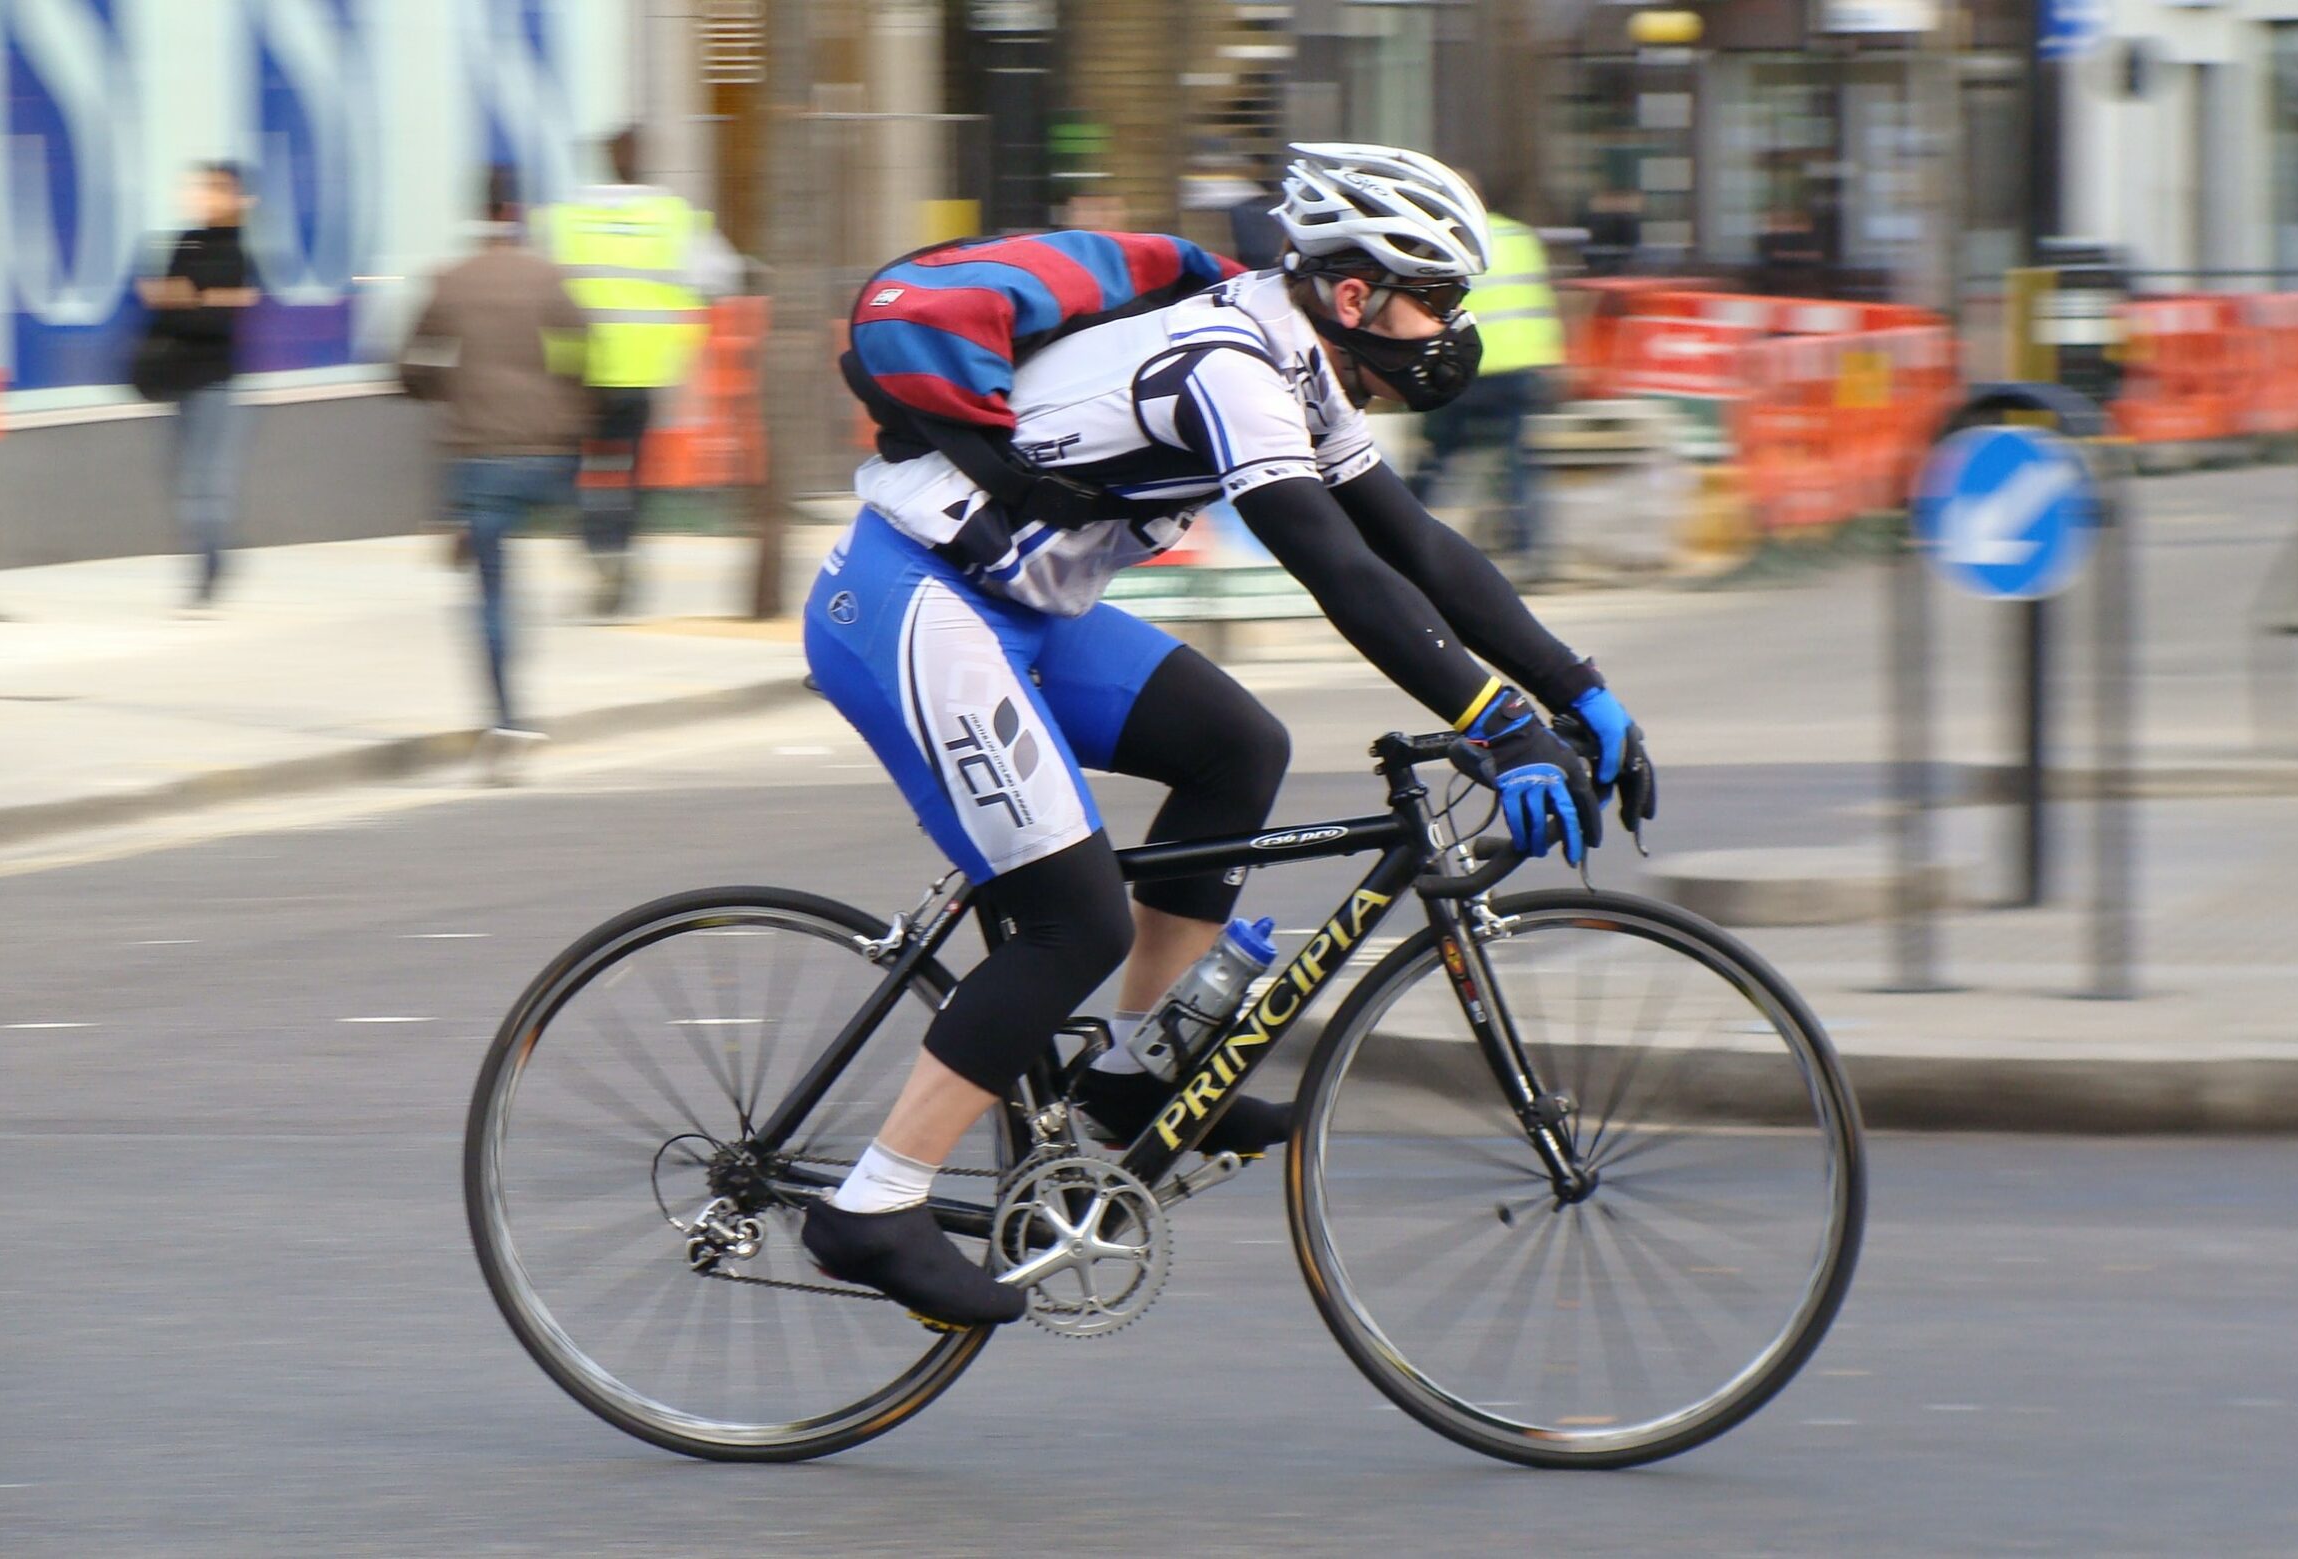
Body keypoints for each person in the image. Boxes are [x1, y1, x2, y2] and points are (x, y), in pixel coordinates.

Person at [798, 143, 1649, 1327]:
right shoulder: (1231, 360)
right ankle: (875, 1202)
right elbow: (1334, 567)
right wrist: (1495, 724)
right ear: (1355, 294)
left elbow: (1416, 546)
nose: (1452, 327)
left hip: (1020, 610)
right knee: (1074, 915)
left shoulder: (1300, 362)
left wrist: (1578, 690)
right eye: (1438, 298)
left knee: (1234, 747)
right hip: (907, 603)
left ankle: (1129, 1078)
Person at [399, 168, 591, 784]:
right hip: (545, 448)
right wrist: (564, 405)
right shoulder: (547, 275)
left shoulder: (449, 281)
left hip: (476, 452)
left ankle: (506, 719)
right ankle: (594, 543)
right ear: (518, 210)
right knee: (544, 538)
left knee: (492, 589)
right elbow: (585, 348)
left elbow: (408, 363)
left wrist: (441, 388)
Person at [539, 127, 738, 620]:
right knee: (627, 470)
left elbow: (538, 284)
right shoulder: (673, 217)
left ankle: (595, 547)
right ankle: (619, 553)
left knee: (578, 466)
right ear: (644, 162)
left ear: (604, 161)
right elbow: (722, 278)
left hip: (576, 370)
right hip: (644, 369)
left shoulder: (565, 217)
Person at [1405, 191, 1566, 579]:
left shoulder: (1446, 243)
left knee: (1436, 456)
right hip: (1522, 368)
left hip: (1465, 370)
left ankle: (1400, 541)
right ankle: (1531, 553)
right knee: (1518, 465)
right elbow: (1542, 299)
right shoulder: (1520, 236)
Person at [138, 162, 257, 612]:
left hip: (215, 380)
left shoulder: (238, 252)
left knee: (206, 480)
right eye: (203, 189)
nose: (206, 197)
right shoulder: (187, 242)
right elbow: (169, 307)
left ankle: (210, 564)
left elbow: (220, 318)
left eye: (217, 190)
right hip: (179, 378)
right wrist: (198, 299)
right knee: (185, 479)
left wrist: (188, 299)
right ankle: (210, 558)